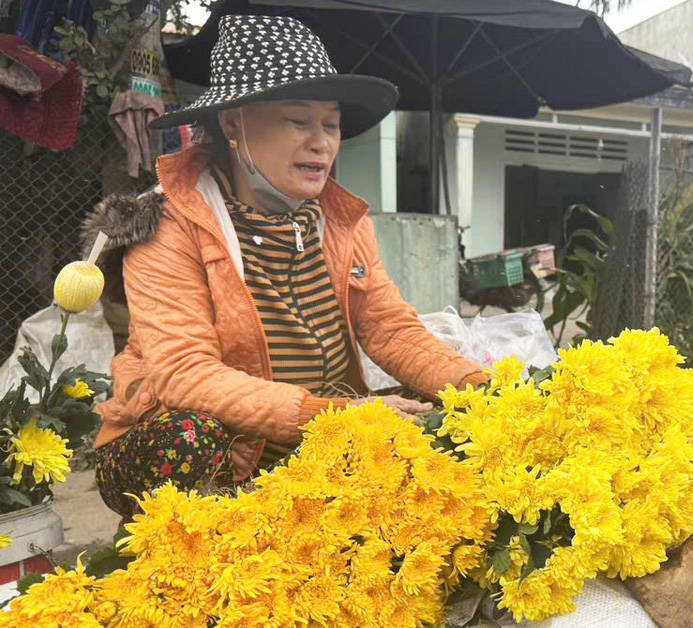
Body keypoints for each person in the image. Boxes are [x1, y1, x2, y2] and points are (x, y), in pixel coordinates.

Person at [85, 15, 488, 518]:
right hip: (207, 454)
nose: (321, 143)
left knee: (441, 420)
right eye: (299, 121)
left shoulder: (342, 221)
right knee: (189, 436)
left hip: (320, 441)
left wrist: (483, 390)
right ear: (234, 123)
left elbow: (389, 329)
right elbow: (185, 375)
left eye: (331, 124)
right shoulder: (171, 224)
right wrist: (332, 417)